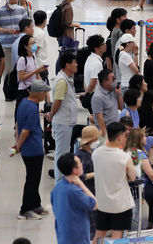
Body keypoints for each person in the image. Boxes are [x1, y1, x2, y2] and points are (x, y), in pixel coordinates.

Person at [93, 122, 136, 241]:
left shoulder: (96, 153)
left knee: (99, 233)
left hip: (102, 202)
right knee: (117, 237)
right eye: (124, 135)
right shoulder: (124, 157)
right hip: (120, 205)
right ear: (119, 137)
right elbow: (132, 177)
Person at [13, 80, 49, 220]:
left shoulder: (23, 103)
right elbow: (26, 131)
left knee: (34, 178)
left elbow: (17, 124)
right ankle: (25, 209)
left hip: (28, 149)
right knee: (32, 179)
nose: (46, 94)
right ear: (39, 92)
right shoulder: (32, 109)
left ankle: (36, 204)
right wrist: (18, 146)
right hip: (33, 149)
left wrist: (17, 142)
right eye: (45, 92)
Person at [44, 53, 78, 180]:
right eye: (74, 62)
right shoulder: (62, 81)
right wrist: (51, 114)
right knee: (61, 153)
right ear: (67, 65)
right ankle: (59, 181)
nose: (76, 65)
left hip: (66, 121)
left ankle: (62, 178)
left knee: (63, 152)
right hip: (63, 122)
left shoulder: (66, 79)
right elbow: (57, 101)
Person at [50, 153, 98, 244]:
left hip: (62, 234)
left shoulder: (57, 188)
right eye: (79, 163)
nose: (82, 164)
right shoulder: (75, 191)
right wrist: (81, 184)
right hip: (77, 237)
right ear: (75, 170)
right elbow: (95, 204)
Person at [0, 0, 27, 76]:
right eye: (12, 3)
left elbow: (26, 25)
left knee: (20, 68)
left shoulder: (21, 10)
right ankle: (8, 87)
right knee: (8, 70)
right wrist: (7, 30)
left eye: (16, 2)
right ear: (7, 0)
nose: (14, 4)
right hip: (6, 45)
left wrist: (21, 30)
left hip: (19, 45)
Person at [91, 69, 124, 138]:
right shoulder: (98, 97)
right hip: (107, 131)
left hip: (116, 129)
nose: (115, 81)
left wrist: (119, 95)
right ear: (105, 82)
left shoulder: (113, 91)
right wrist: (105, 135)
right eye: (113, 79)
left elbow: (120, 108)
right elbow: (99, 118)